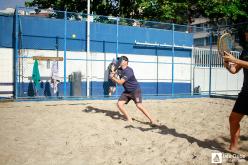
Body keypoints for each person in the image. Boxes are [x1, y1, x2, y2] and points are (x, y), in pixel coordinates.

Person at [109, 56, 156, 124]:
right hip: (127, 91)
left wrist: (112, 78)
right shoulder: (119, 70)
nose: (119, 61)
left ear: (126, 62)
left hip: (135, 90)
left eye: (121, 60)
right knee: (119, 104)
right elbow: (115, 76)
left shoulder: (129, 71)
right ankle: (129, 119)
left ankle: (152, 120)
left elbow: (120, 82)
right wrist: (112, 72)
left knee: (139, 105)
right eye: (119, 60)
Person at [222, 29, 248, 151]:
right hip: (246, 93)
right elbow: (234, 70)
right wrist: (227, 64)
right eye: (246, 32)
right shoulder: (245, 52)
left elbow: (238, 62)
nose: (246, 34)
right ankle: (233, 148)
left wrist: (235, 60)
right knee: (233, 119)